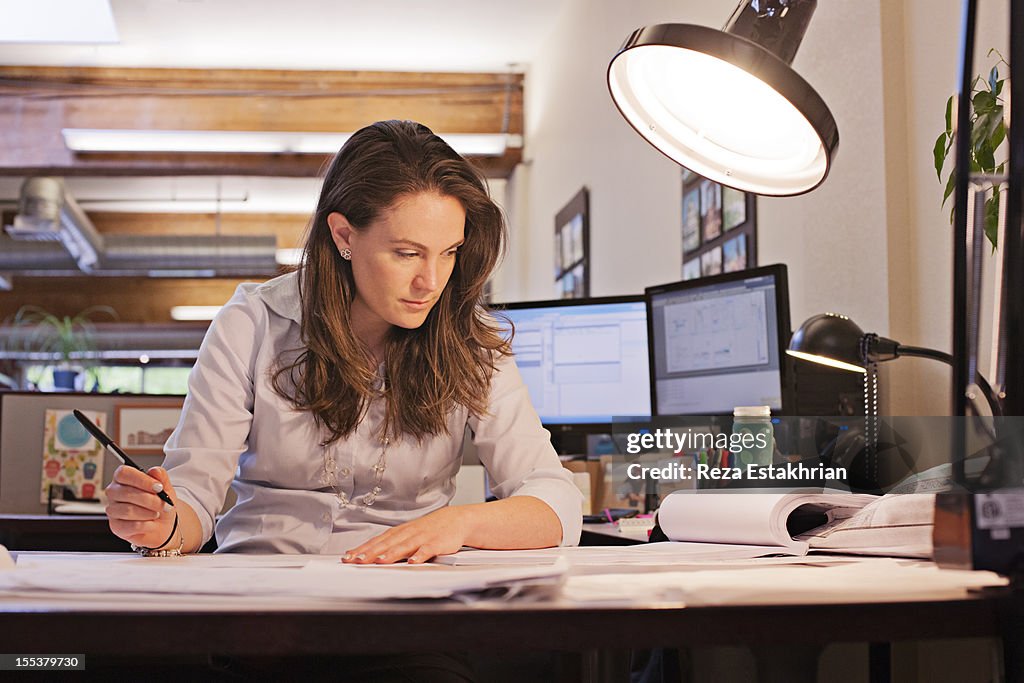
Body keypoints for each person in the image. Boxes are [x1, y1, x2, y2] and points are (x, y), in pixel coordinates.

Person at [103, 120, 583, 565]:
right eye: (407, 253)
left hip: (407, 604)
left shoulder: (468, 341)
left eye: (449, 253)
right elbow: (192, 500)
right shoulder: (251, 324)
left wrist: (459, 522)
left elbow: (556, 501)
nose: (431, 282)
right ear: (343, 235)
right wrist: (161, 524)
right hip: (265, 596)